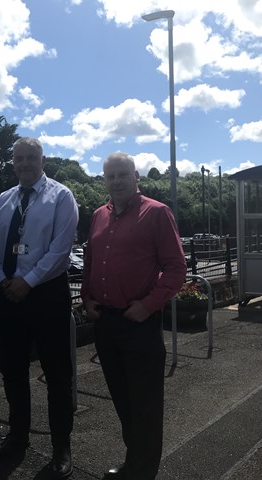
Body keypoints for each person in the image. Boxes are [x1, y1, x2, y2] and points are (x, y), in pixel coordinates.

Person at [80, 152, 186, 480]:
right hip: (107, 323)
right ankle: (134, 462)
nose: (117, 181)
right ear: (104, 180)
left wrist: (149, 304)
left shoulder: (156, 213)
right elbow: (91, 259)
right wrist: (87, 298)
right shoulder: (98, 215)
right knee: (124, 401)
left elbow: (176, 268)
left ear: (136, 176)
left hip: (138, 321)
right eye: (110, 176)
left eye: (123, 174)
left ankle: (142, 472)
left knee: (146, 406)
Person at [0, 137, 79, 479]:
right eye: (19, 158)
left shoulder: (62, 196)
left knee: (57, 373)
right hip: (9, 292)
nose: (24, 163)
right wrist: (4, 278)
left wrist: (29, 281)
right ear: (12, 162)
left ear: (43, 160)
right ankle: (17, 436)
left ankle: (61, 447)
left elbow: (60, 250)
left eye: (31, 158)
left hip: (47, 293)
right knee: (12, 370)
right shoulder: (3, 199)